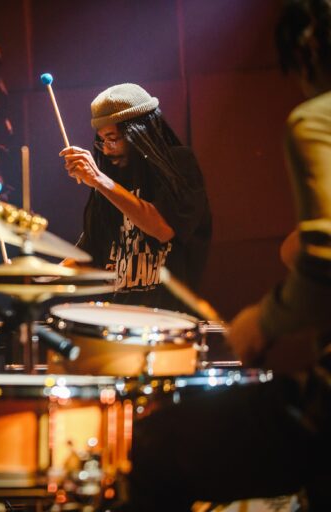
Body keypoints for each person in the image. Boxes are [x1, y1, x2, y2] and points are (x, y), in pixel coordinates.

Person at [126, 0, 331, 509]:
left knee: (155, 445)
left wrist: (259, 324)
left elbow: (324, 267)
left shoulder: (317, 121)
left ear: (309, 49)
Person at [59, 84, 212, 313]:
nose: (107, 150)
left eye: (112, 138)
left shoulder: (178, 164)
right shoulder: (109, 181)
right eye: (102, 140)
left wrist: (99, 180)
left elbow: (163, 229)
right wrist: (35, 274)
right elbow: (89, 255)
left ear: (140, 134)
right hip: (119, 322)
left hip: (170, 321)